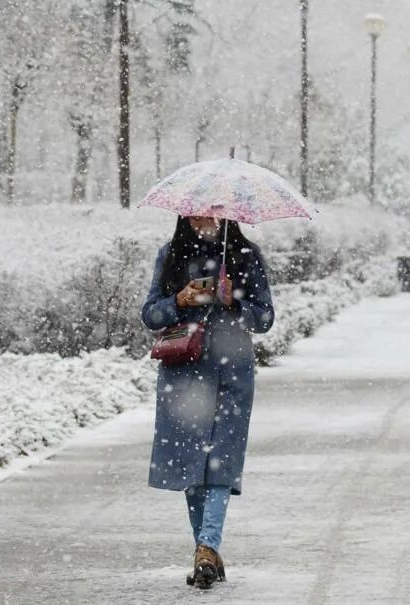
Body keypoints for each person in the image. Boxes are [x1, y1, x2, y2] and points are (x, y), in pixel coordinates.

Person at [141, 215, 274, 590]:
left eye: (215, 211)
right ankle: (207, 552)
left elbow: (265, 318)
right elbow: (150, 313)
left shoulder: (247, 255)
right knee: (190, 467)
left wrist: (235, 300)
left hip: (233, 373)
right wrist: (179, 300)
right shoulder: (170, 254)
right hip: (183, 374)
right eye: (199, 211)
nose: (207, 219)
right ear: (185, 214)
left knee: (221, 462)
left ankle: (206, 546)